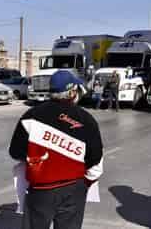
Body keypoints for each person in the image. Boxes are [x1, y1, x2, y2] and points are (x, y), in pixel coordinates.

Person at [9, 70, 103, 229]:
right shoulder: (86, 119)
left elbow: (15, 152)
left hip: (40, 189)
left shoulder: (31, 115)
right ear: (73, 92)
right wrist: (83, 182)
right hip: (74, 188)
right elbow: (95, 158)